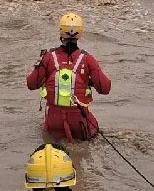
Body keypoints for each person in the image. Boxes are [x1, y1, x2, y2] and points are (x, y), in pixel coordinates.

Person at [27, 13, 111, 142]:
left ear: (61, 32)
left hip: (53, 122)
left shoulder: (48, 57)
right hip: (79, 122)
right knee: (92, 138)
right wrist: (88, 81)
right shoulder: (88, 59)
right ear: (80, 33)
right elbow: (105, 88)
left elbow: (31, 84)